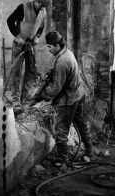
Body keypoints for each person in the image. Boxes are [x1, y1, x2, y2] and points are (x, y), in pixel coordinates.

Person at [33, 31, 93, 164]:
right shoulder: (68, 53)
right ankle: (90, 151)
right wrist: (53, 73)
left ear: (57, 46)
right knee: (82, 124)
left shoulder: (61, 61)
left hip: (68, 100)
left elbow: (56, 88)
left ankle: (62, 159)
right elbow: (64, 74)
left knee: (61, 131)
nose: (48, 50)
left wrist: (42, 96)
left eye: (50, 47)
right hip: (78, 95)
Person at [7, 0, 50, 108]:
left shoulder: (43, 11)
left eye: (43, 7)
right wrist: (17, 36)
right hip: (19, 43)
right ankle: (15, 99)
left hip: (30, 43)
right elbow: (10, 20)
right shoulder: (23, 7)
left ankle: (25, 97)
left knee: (31, 70)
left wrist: (37, 37)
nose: (41, 9)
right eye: (40, 6)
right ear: (36, 1)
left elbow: (41, 26)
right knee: (17, 70)